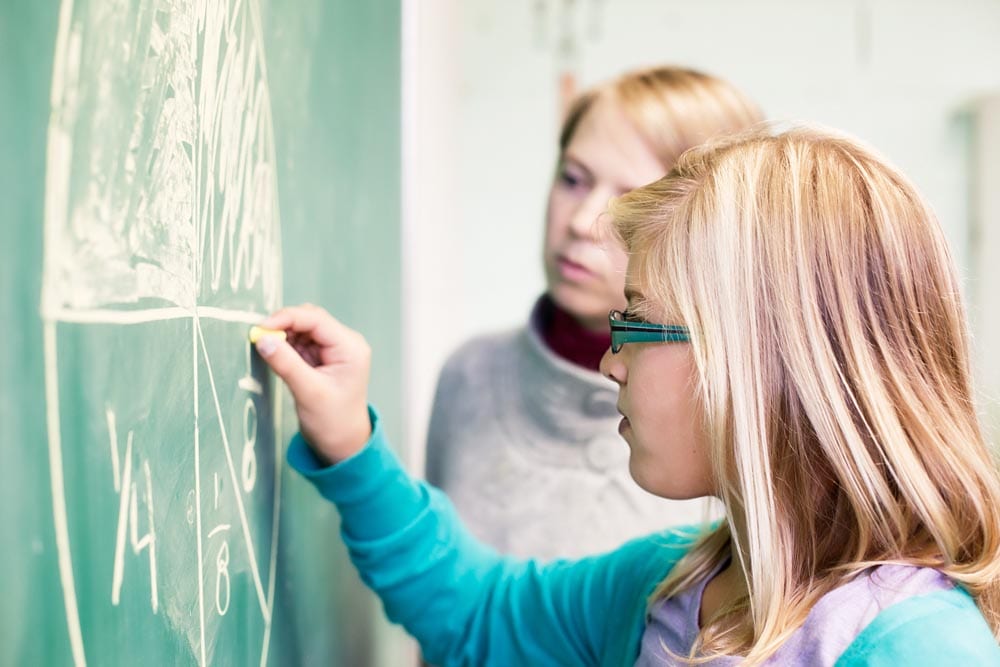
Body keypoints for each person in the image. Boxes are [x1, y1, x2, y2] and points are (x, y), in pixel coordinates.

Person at [253, 126, 1000, 665]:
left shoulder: (915, 645)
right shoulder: (673, 588)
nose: (612, 360)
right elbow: (477, 609)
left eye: (637, 323)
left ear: (753, 359)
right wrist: (350, 444)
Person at [425, 66, 764, 558]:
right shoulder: (470, 375)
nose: (583, 222)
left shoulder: (728, 426)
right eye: (572, 179)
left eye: (630, 201)